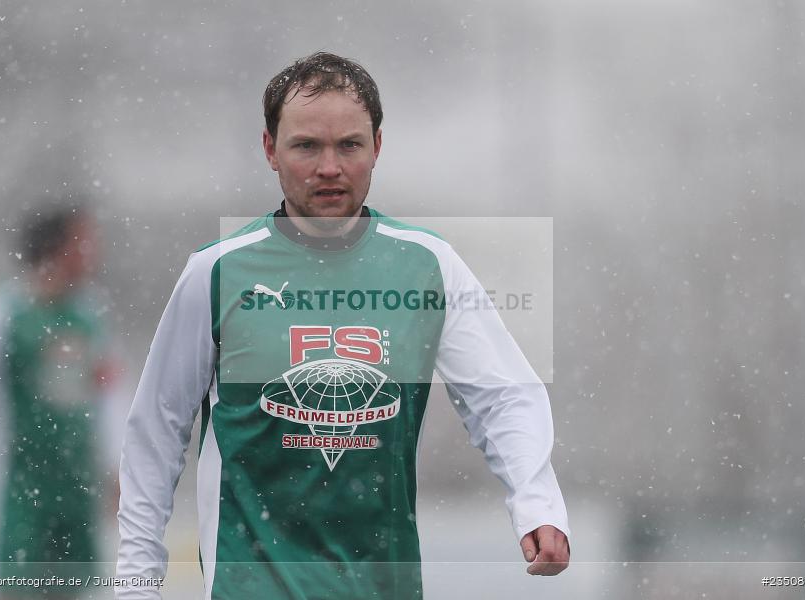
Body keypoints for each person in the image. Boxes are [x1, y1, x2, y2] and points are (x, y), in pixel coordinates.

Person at [116, 52, 570, 599]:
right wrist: (137, 580)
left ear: (377, 146)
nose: (328, 167)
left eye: (348, 145)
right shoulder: (216, 271)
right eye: (306, 145)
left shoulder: (428, 265)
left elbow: (502, 394)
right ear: (270, 149)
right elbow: (157, 427)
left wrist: (536, 501)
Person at [0, 202, 123, 599]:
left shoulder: (91, 317)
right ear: (57, 248)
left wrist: (117, 469)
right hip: (17, 494)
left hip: (76, 494)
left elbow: (107, 400)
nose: (96, 252)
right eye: (85, 241)